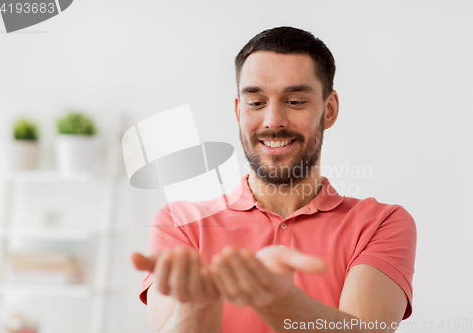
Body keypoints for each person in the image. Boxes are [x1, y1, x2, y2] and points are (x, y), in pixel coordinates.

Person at [131, 26, 417, 333]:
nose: (273, 121)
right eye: (256, 103)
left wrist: (277, 299)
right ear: (239, 111)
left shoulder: (380, 224)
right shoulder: (180, 223)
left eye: (295, 101)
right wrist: (199, 305)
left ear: (329, 110)